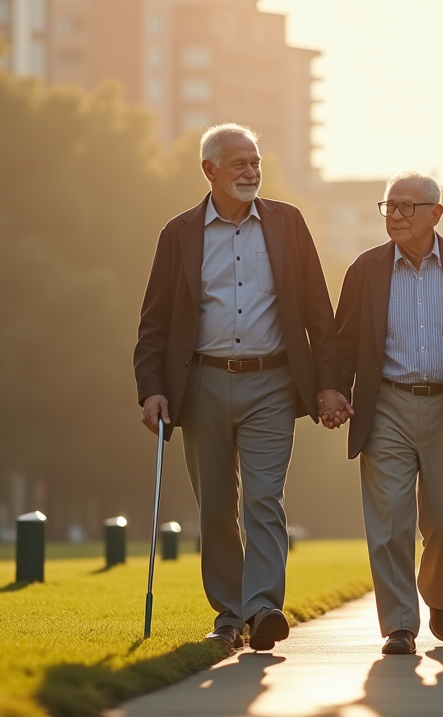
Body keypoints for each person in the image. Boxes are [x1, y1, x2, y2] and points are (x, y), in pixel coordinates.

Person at [133, 124, 352, 652]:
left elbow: (318, 310)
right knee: (214, 506)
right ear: (209, 170)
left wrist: (329, 384)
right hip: (201, 382)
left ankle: (262, 608)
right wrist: (151, 389)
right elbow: (154, 322)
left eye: (256, 162)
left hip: (273, 384)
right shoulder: (179, 233)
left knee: (264, 499)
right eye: (239, 164)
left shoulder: (288, 222)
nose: (252, 172)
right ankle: (229, 614)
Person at [334, 172, 443, 655]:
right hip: (386, 407)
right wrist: (334, 391)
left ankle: (439, 596)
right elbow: (344, 341)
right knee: (390, 521)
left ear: (435, 214)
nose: (395, 216)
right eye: (389, 207)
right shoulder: (366, 270)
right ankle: (399, 624)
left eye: (406, 207)